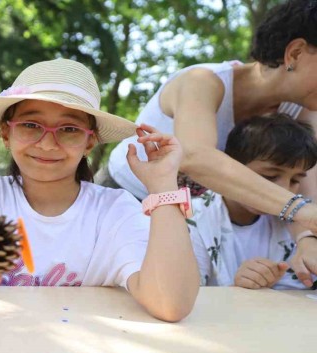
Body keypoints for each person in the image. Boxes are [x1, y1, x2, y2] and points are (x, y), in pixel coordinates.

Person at [0, 59, 199, 322]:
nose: (47, 144)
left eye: (69, 129)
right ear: (5, 134)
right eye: (31, 125)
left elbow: (170, 304)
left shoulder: (115, 210)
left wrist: (163, 185)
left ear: (89, 143)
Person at [98, 0, 317, 286]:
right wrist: (300, 212)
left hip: (195, 223)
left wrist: (307, 239)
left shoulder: (302, 110)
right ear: (296, 52)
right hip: (126, 200)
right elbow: (195, 157)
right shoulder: (201, 82)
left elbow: (305, 189)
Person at [190, 114, 317, 289]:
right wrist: (239, 287)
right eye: (269, 176)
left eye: (295, 180)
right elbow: (184, 297)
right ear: (232, 167)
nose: (284, 190)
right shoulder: (192, 219)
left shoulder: (296, 225)